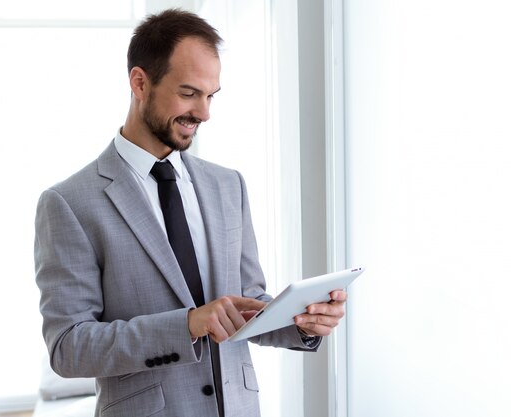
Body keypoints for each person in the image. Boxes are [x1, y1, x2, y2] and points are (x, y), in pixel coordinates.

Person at [34, 8, 347, 417]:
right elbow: (69, 347)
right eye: (189, 93)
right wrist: (188, 324)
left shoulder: (227, 185)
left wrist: (300, 323)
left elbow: (247, 302)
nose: (204, 113)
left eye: (211, 95)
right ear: (140, 82)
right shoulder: (70, 203)